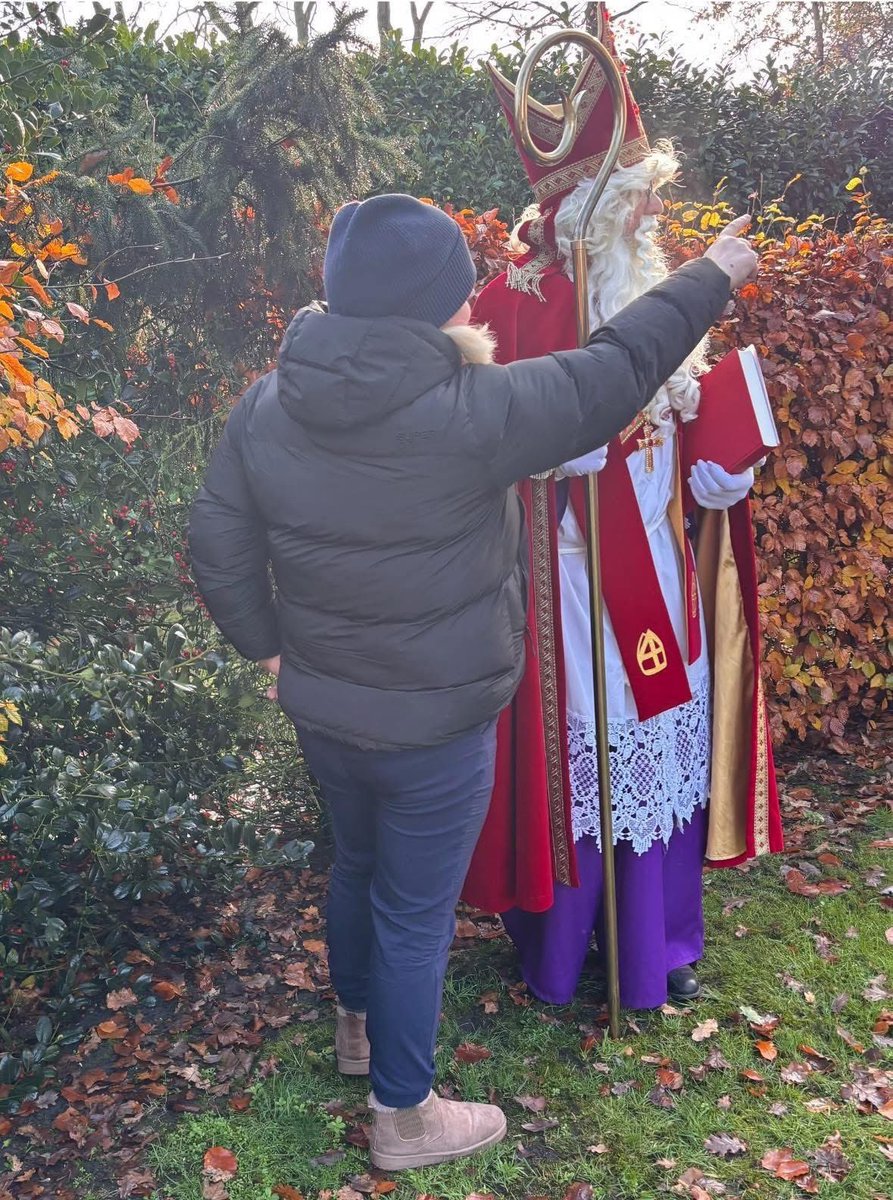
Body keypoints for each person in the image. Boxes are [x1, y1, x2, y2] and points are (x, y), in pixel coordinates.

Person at [189, 191, 756, 1169]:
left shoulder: (266, 403)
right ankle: (403, 1117)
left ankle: (357, 1030)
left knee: (357, 868)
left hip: (324, 710)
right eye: (455, 295)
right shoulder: (473, 410)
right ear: (423, 307)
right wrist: (712, 273)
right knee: (412, 910)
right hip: (438, 726)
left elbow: (215, 537)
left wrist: (265, 645)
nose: (468, 312)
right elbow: (617, 368)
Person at [462, 17, 783, 1012]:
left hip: (654, 559)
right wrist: (550, 458)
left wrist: (708, 473)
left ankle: (656, 945)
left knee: (658, 741)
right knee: (586, 746)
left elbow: (667, 412)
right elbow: (476, 443)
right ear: (591, 211)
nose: (653, 211)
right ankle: (564, 949)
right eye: (638, 195)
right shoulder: (507, 305)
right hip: (565, 576)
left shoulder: (642, 284)